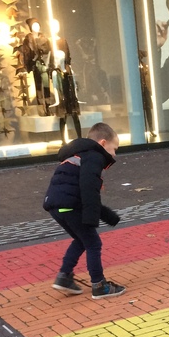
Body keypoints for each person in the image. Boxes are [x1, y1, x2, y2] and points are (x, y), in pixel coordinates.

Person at [43, 121, 125, 299]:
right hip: (71, 206)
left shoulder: (77, 155)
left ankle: (64, 277)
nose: (114, 153)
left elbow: (79, 191)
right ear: (103, 143)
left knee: (81, 240)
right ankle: (99, 286)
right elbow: (89, 189)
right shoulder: (94, 157)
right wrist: (93, 217)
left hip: (56, 205)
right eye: (114, 148)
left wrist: (108, 216)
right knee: (93, 243)